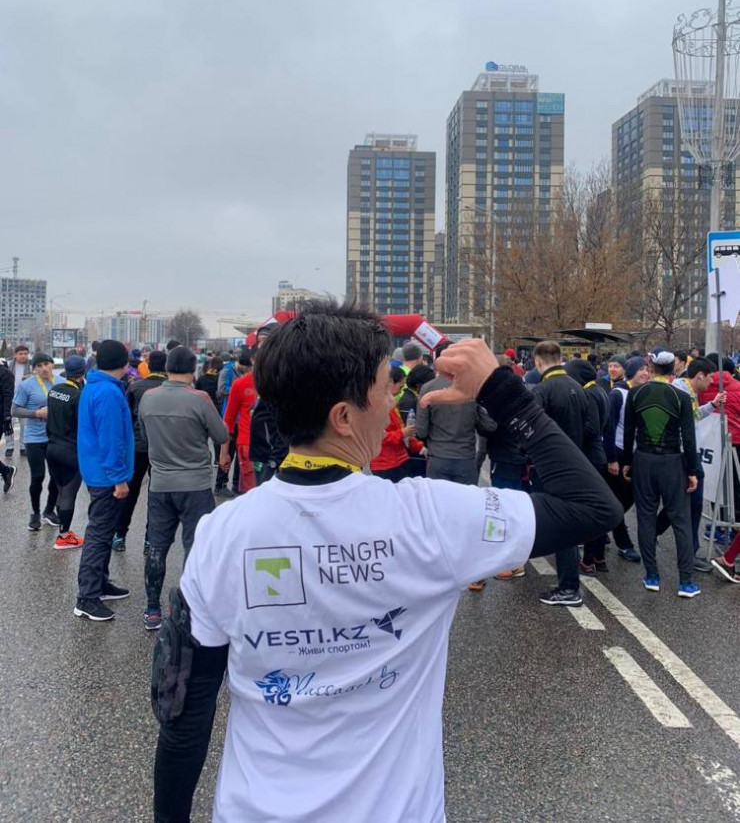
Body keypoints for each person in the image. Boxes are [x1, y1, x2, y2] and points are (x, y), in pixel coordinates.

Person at [151, 301, 621, 823]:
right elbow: (592, 507)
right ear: (343, 417)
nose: (393, 406)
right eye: (383, 390)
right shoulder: (429, 517)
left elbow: (183, 716)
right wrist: (502, 391)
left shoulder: (221, 533)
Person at [139, 346, 228, 631]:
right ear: (193, 369)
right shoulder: (199, 398)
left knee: (157, 547)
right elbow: (221, 435)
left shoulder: (148, 398)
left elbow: (145, 435)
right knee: (195, 546)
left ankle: (152, 609)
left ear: (167, 369)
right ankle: (190, 608)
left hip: (161, 484)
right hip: (196, 485)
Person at [623, 349, 700, 597]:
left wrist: (627, 462)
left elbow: (629, 432)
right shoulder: (681, 396)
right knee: (681, 521)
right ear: (672, 369)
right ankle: (686, 582)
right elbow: (689, 439)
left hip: (643, 460)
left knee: (645, 518)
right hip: (672, 462)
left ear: (651, 368)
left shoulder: (635, 393)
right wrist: (692, 470)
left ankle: (652, 577)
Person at [533, 341, 599, 607]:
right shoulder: (579, 388)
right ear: (560, 358)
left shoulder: (542, 390)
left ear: (538, 362)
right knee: (567, 521)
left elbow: (533, 429)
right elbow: (592, 428)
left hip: (551, 466)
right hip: (577, 463)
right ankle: (569, 583)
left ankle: (569, 587)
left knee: (561, 525)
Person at [74, 340, 133, 622]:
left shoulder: (94, 384)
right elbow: (111, 439)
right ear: (125, 363)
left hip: (97, 469)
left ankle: (100, 583)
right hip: (106, 475)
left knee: (103, 531)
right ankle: (86, 597)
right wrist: (119, 478)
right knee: (99, 535)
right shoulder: (109, 392)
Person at [664, 357, 724, 573]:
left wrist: (712, 405)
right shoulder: (681, 393)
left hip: (686, 455)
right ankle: (688, 554)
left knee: (682, 504)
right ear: (700, 376)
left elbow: (695, 417)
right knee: (690, 505)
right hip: (685, 456)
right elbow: (684, 431)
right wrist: (691, 467)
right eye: (710, 378)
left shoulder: (687, 391)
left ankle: (655, 535)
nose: (711, 382)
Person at [112, 349, 168, 552]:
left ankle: (119, 535)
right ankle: (150, 539)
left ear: (149, 366)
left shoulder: (135, 387)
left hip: (137, 447)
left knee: (130, 492)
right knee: (157, 495)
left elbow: (125, 417)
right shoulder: (172, 388)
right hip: (162, 448)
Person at [603, 356, 649, 564]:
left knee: (628, 498)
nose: (645, 373)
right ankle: (623, 543)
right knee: (619, 498)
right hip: (619, 452)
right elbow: (609, 427)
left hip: (637, 454)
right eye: (641, 369)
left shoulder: (644, 392)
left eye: (647, 369)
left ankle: (604, 526)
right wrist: (611, 458)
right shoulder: (618, 393)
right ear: (631, 372)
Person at [566, 358, 610, 574]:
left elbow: (591, 428)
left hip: (590, 457)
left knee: (590, 510)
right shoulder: (600, 390)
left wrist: (573, 434)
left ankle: (589, 559)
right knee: (597, 507)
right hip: (598, 455)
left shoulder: (589, 394)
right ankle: (599, 557)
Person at [416, 342, 479, 485]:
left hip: (438, 456)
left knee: (438, 499)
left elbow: (421, 430)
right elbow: (488, 425)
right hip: (465, 456)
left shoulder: (428, 388)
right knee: (466, 499)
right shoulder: (473, 387)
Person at [11, 352, 61, 530]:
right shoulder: (27, 385)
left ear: (52, 365)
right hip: (34, 438)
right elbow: (15, 410)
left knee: (57, 476)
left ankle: (49, 510)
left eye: (46, 364)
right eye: (39, 366)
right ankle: (35, 513)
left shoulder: (62, 383)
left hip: (56, 437)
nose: (44, 368)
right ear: (34, 369)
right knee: (37, 476)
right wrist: (35, 413)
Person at [46, 355, 87, 549]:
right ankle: (63, 536)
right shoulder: (79, 396)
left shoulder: (54, 390)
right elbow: (83, 427)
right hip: (70, 450)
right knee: (69, 492)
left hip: (52, 447)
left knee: (61, 490)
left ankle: (63, 531)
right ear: (82, 374)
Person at [249, 326, 288, 486]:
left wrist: (275, 459)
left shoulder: (280, 373)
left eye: (265, 340)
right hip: (260, 454)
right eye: (259, 341)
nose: (261, 345)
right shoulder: (264, 373)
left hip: (272, 457)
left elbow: (283, 418)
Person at [370, 367, 423, 481]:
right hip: (384, 462)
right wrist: (402, 433)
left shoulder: (392, 404)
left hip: (398, 458)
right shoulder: (378, 406)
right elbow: (379, 436)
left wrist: (419, 446)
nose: (401, 391)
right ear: (390, 383)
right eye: (400, 386)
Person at [221, 347, 258, 495]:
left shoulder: (281, 382)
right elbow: (228, 420)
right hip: (247, 445)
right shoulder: (240, 384)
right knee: (251, 493)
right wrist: (224, 453)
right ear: (252, 360)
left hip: (276, 448)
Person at [5, 343, 31, 456]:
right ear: (15, 355)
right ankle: (9, 446)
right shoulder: (8, 366)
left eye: (25, 354)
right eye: (21, 354)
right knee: (8, 423)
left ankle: (23, 447)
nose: (23, 356)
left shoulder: (32, 366)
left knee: (24, 424)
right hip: (9, 397)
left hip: (25, 399)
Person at [0, 361, 16, 492]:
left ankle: (6, 471)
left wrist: (6, 417)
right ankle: (6, 471)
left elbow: (8, 396)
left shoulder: (5, 373)